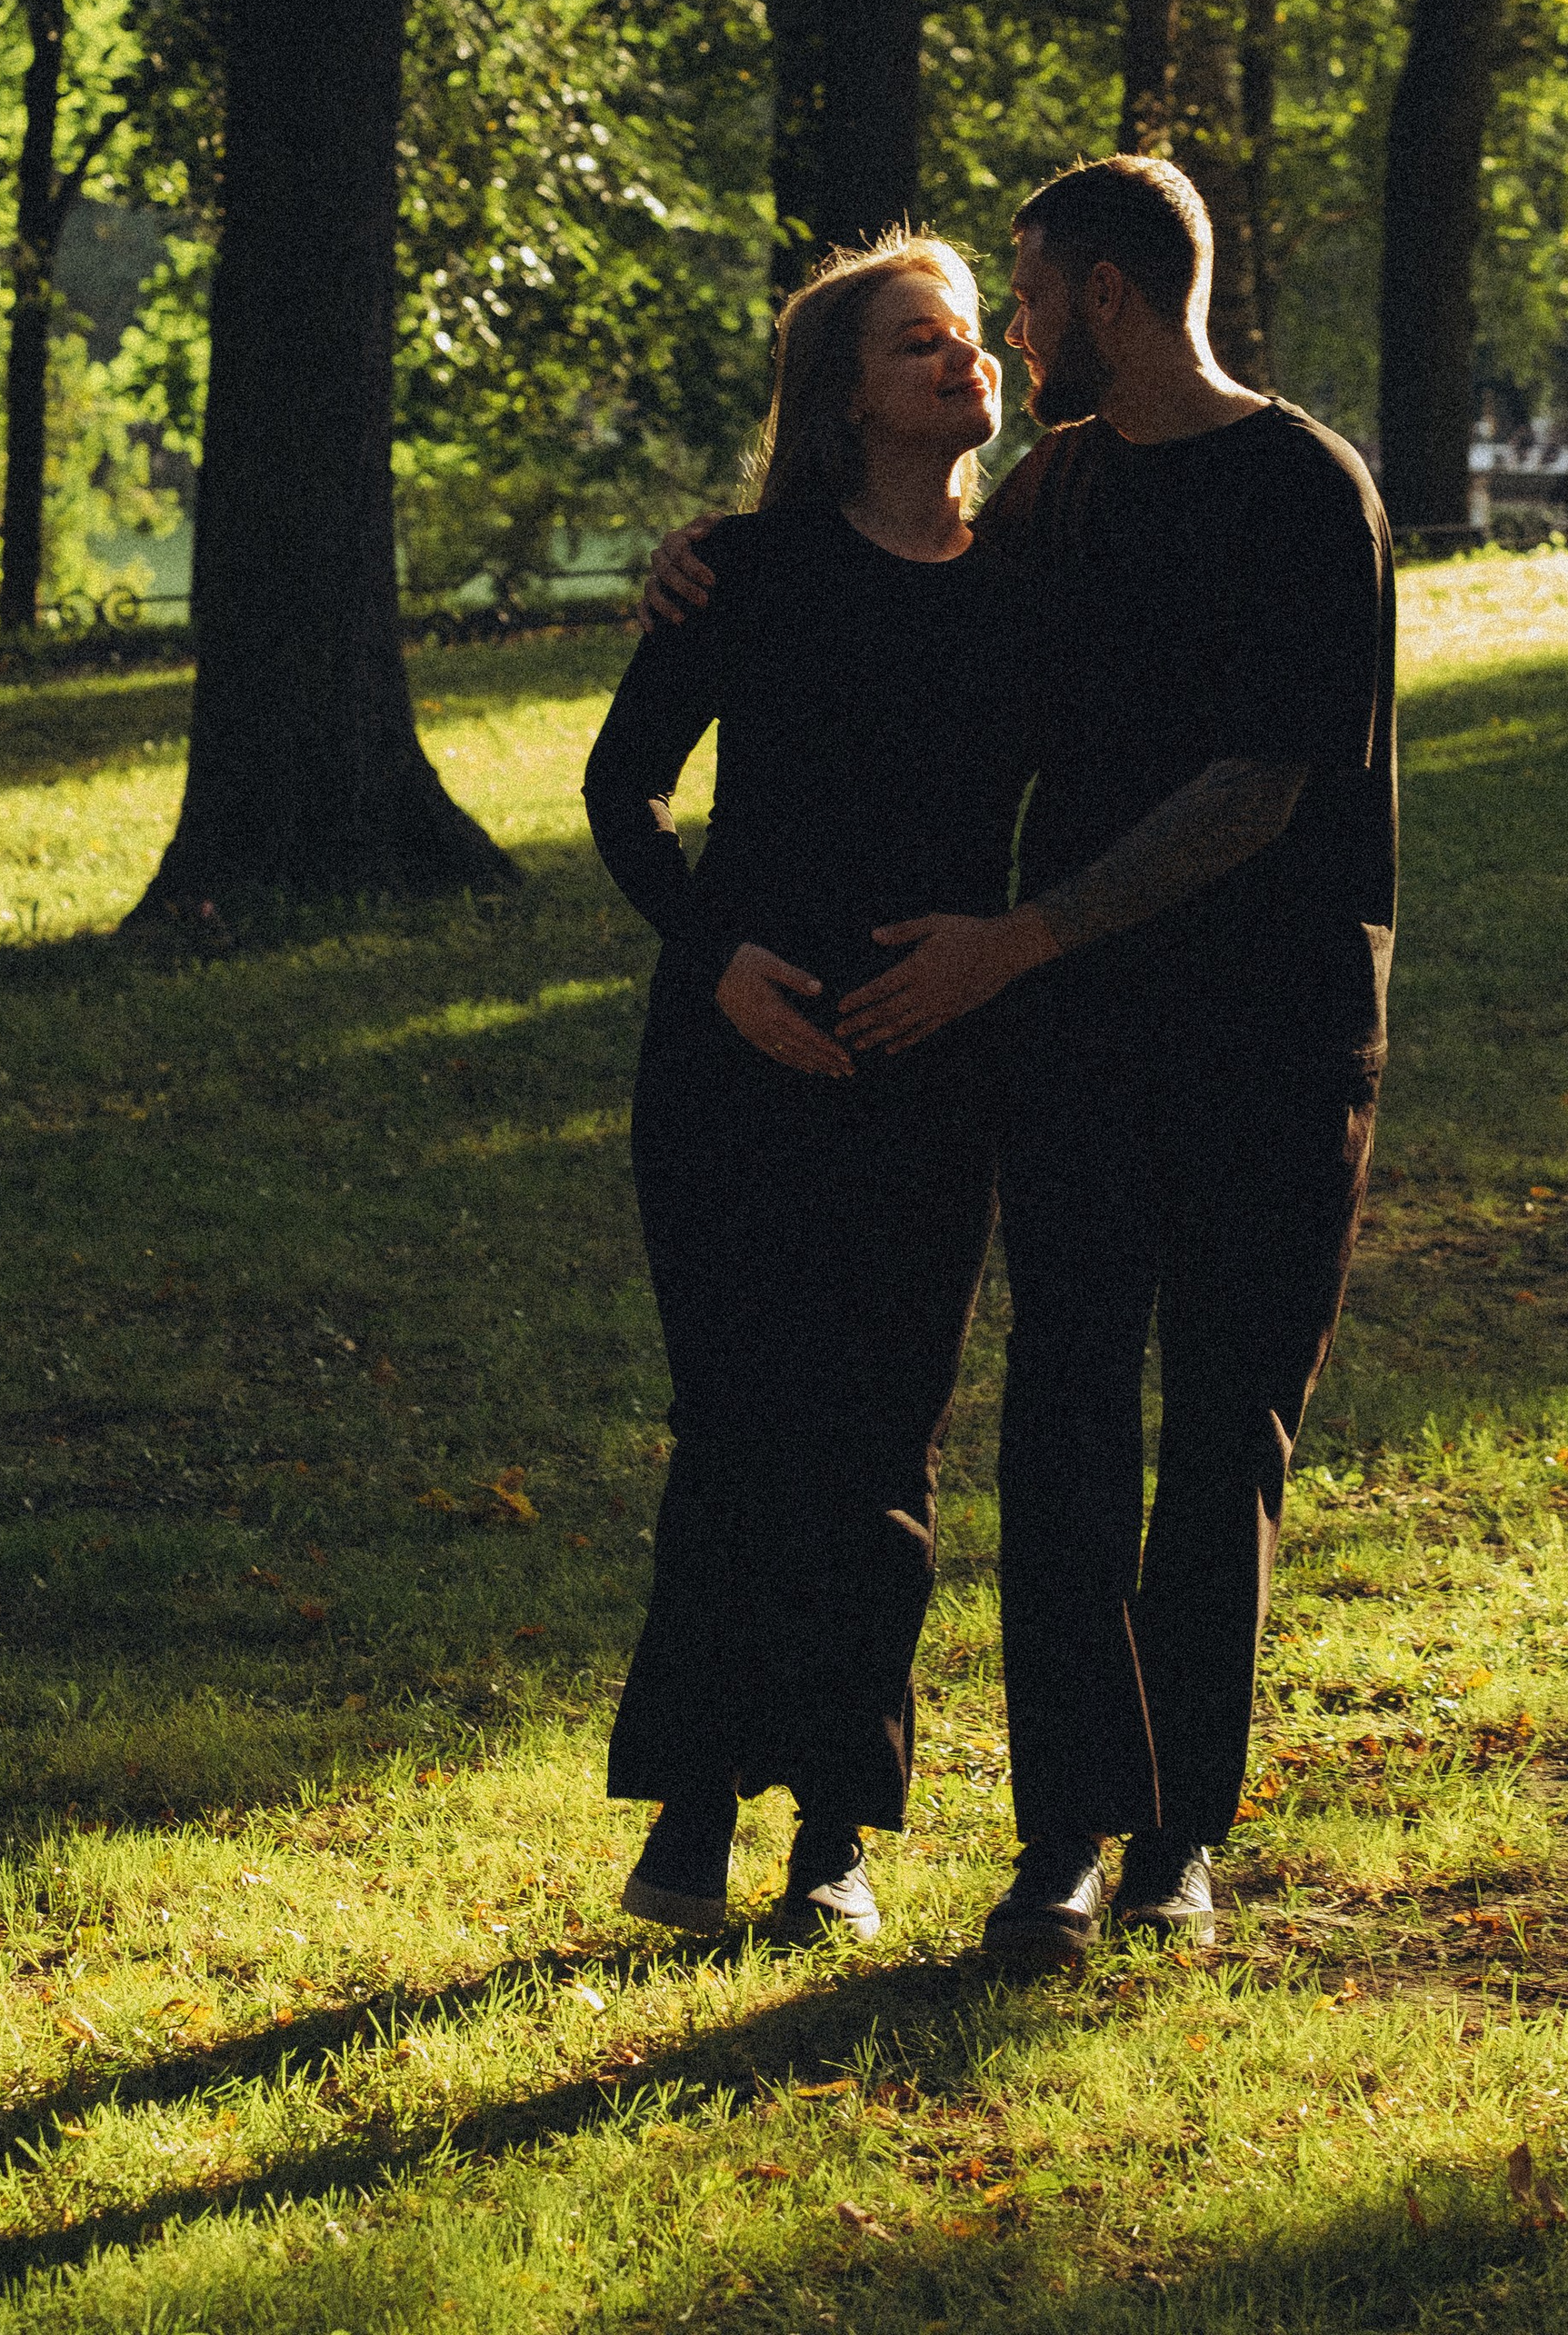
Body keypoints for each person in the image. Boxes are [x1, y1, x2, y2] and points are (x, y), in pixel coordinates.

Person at [644, 157, 1395, 1967]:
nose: (1012, 340)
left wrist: (1026, 936)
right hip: (1076, 1050)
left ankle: (1176, 1843)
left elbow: (1256, 786)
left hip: (1276, 1042)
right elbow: (904, 619)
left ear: (1108, 304)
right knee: (1062, 1429)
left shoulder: (1305, 491)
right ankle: (1061, 1835)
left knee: (1223, 1438)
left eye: (1030, 304)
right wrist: (710, 578)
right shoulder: (1058, 491)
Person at [584, 234, 1026, 1943]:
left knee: (882, 1454)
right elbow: (626, 796)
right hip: (731, 1064)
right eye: (920, 345)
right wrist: (720, 964)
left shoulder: (1021, 588)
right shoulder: (746, 577)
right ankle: (691, 1821)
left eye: (974, 340)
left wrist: (992, 953)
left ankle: (834, 1834)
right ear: (846, 392)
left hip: (933, 1061)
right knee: (740, 1430)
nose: (961, 366)